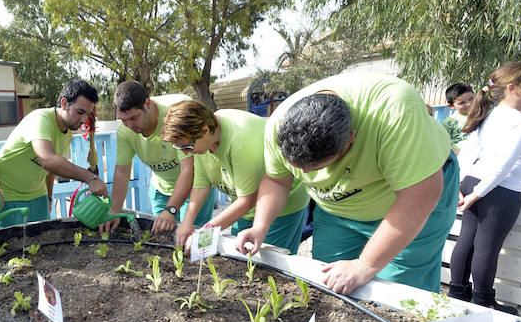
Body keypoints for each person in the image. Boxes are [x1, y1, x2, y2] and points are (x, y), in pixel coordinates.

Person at [237, 72, 459, 295]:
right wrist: (259, 227)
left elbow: (418, 197)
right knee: (330, 281)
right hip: (337, 210)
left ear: (350, 139)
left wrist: (364, 265)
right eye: (296, 166)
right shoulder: (279, 123)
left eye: (317, 168)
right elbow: (276, 180)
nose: (303, 174)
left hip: (411, 202)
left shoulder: (395, 111)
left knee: (399, 291)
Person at [160, 100, 310, 254]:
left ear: (204, 131)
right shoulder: (202, 141)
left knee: (267, 264)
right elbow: (201, 185)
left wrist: (207, 231)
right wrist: (187, 222)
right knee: (241, 255)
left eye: (187, 147)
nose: (186, 153)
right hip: (245, 205)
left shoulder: (240, 140)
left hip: (280, 204)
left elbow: (247, 200)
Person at [448, 62, 521, 312]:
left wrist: (460, 185)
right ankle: (483, 302)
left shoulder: (490, 113)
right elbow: (504, 165)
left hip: (475, 181)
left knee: (467, 241)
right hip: (500, 191)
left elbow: (469, 152)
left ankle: (457, 294)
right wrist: (477, 194)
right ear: (514, 88)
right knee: (487, 246)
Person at [100, 81, 214, 239]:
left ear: (147, 103)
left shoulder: (174, 116)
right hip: (161, 188)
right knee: (161, 239)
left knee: (192, 241)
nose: (129, 125)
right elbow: (122, 171)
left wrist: (171, 210)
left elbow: (189, 170)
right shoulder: (125, 132)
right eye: (123, 120)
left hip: (196, 188)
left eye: (133, 118)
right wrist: (115, 210)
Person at [0, 78, 106, 226]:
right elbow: (47, 159)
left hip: (38, 196)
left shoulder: (68, 129)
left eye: (88, 114)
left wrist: (49, 197)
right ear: (64, 103)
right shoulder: (40, 119)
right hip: (7, 196)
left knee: (41, 245)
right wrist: (90, 178)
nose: (84, 120)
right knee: (10, 246)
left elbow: (53, 166)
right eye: (80, 112)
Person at [442, 83, 475, 152]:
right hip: (460, 158)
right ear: (451, 106)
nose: (469, 104)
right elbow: (443, 143)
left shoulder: (482, 115)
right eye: (462, 103)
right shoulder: (449, 122)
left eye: (471, 99)